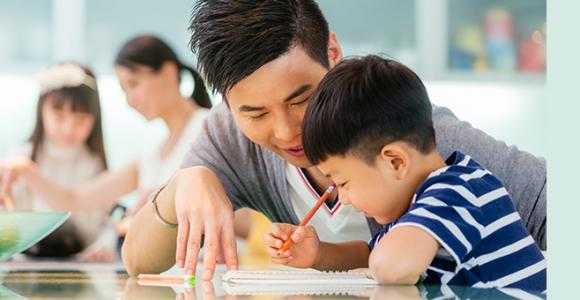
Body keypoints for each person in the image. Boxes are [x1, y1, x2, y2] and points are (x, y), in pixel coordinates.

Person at [122, 0, 546, 279]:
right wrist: (184, 184)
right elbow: (138, 261)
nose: (288, 132)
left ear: (333, 52)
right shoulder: (227, 138)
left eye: (301, 98)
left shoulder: (414, 138)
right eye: (255, 113)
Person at [267, 55, 546, 291]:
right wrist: (318, 254)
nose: (346, 199)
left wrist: (375, 271)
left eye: (344, 183)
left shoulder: (459, 190)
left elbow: (392, 267)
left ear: (396, 162)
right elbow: (373, 253)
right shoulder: (417, 210)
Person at [0, 35, 215, 257]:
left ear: (169, 72)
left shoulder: (210, 126)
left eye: (134, 84)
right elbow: (74, 200)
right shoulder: (153, 155)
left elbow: (240, 213)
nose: (130, 100)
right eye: (124, 90)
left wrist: (162, 213)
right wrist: (26, 169)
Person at [0, 63, 111, 257]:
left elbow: (100, 224)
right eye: (59, 116)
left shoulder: (94, 163)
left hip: (81, 262)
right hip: (24, 262)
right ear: (41, 110)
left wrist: (103, 247)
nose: (69, 128)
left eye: (81, 119)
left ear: (95, 118)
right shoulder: (20, 157)